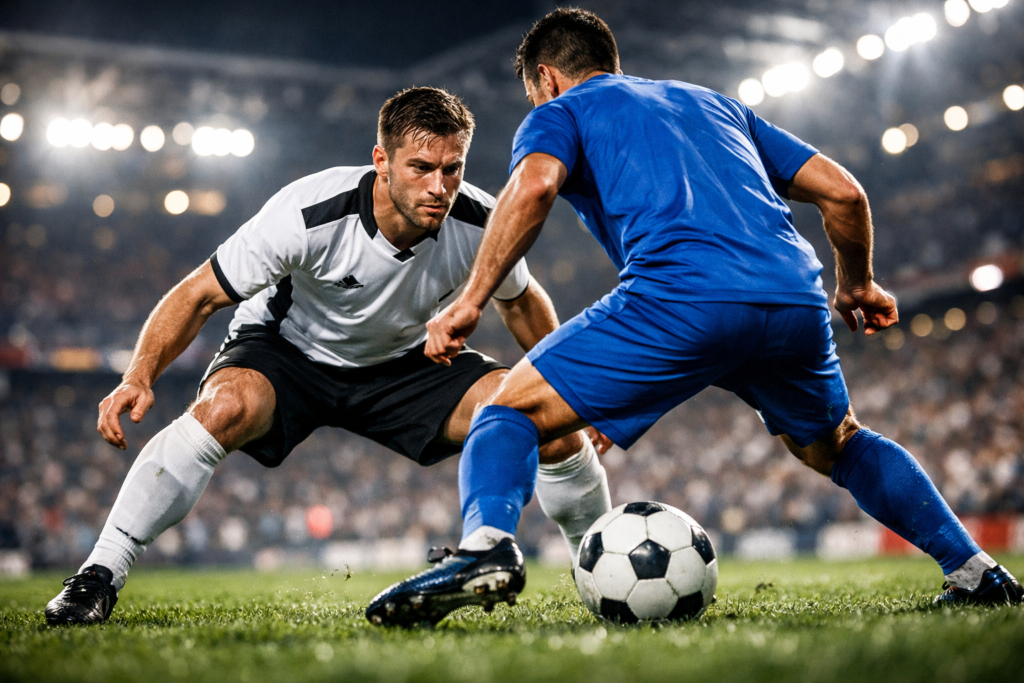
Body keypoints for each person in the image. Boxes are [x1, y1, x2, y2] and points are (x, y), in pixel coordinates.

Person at [368, 9, 1023, 627]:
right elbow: (843, 192)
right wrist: (858, 282)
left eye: (538, 91)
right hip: (792, 297)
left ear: (546, 77)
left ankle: (485, 547)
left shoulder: (561, 110)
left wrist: (470, 300)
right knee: (839, 442)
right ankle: (976, 571)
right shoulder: (715, 104)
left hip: (679, 296)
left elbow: (534, 186)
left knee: (507, 411)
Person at [44, 86, 613, 626]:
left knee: (546, 418)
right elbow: (198, 294)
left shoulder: (480, 220)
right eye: (421, 167)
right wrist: (139, 375)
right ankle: (98, 576)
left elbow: (521, 302)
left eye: (452, 168)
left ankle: (601, 577)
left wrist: (569, 394)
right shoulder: (307, 211)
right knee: (223, 409)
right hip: (288, 353)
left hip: (403, 363)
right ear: (381, 161)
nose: (440, 186)